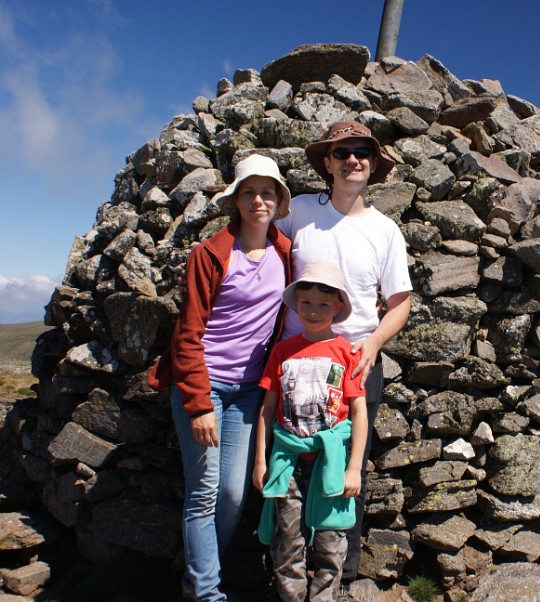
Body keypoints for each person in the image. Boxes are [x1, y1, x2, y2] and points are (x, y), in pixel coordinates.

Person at [276, 120, 412, 598]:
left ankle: (340, 581)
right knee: (288, 471)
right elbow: (262, 249)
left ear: (372, 165)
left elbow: (400, 303)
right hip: (293, 364)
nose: (353, 159)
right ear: (327, 163)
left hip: (355, 363)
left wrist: (372, 344)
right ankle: (289, 579)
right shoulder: (297, 213)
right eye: (343, 152)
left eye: (362, 152)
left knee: (347, 471)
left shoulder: (384, 230)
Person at [148, 154, 293, 601]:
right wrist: (197, 404)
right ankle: (210, 594)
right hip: (204, 385)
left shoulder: (286, 253)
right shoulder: (210, 254)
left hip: (249, 392)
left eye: (267, 192)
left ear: (278, 201)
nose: (258, 201)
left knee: (233, 496)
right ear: (236, 199)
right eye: (249, 192)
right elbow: (187, 336)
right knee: (204, 493)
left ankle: (195, 581)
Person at [253, 261, 367, 602]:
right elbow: (267, 409)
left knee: (331, 542)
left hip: (330, 462)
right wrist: (260, 461)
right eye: (306, 303)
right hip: (286, 462)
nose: (313, 311)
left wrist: (354, 467)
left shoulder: (347, 353)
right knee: (288, 540)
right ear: (296, 304)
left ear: (337, 308)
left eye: (323, 304)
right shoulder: (282, 352)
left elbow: (359, 412)